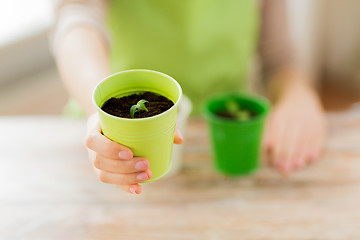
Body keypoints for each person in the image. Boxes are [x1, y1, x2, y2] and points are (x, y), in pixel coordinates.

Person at [52, 0, 326, 194]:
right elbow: (78, 18)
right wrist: (102, 113)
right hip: (110, 139)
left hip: (221, 134)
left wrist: (298, 95)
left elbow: (279, 58)